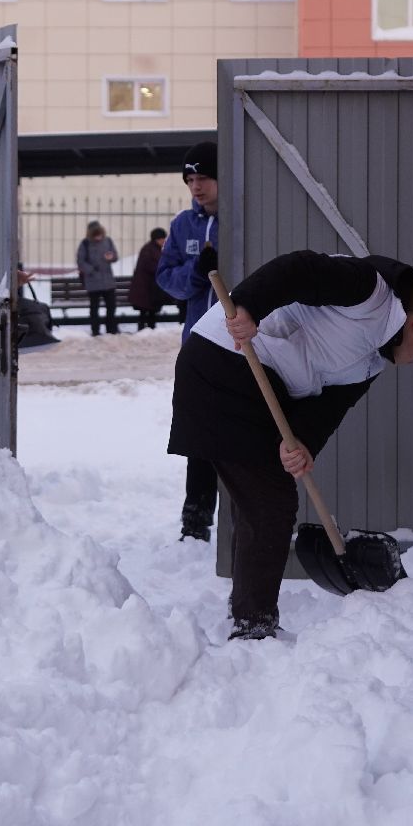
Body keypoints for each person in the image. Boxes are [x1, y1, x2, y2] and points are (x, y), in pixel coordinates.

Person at [167, 249, 413, 641]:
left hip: (262, 386)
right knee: (270, 503)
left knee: (260, 500)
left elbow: (329, 408)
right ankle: (253, 625)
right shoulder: (368, 291)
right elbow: (298, 269)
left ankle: (248, 615)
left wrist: (303, 442)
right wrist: (250, 308)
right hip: (227, 361)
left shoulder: (374, 360)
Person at [156, 141, 221, 541]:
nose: (196, 186)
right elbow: (167, 279)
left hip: (245, 344)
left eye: (204, 177)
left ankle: (246, 521)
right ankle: (195, 521)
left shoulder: (243, 217)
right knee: (199, 434)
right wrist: (197, 272)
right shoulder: (183, 225)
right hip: (199, 345)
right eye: (190, 179)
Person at [75, 220, 119, 336]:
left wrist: (111, 257)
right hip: (93, 281)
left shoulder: (108, 241)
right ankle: (95, 330)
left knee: (111, 306)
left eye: (99, 234)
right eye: (95, 235)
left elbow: (115, 256)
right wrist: (91, 270)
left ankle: (111, 329)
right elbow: (80, 261)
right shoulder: (85, 244)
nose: (98, 237)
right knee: (94, 308)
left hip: (108, 281)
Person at [127, 227, 170, 331]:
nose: (163, 241)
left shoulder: (155, 249)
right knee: (145, 310)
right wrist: (162, 269)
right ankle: (145, 329)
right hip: (145, 287)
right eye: (161, 239)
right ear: (156, 239)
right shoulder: (149, 249)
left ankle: (150, 329)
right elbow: (150, 266)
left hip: (150, 287)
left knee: (151, 310)